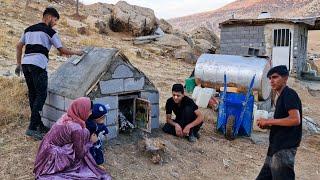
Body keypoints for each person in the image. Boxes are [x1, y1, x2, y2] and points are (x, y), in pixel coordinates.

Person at [15, 7, 83, 140]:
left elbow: (18, 46)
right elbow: (61, 50)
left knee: (33, 95)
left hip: (26, 64)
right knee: (41, 94)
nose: (55, 23)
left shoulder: (28, 29)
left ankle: (38, 124)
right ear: (50, 17)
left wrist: (18, 64)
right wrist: (77, 52)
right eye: (56, 20)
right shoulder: (50, 32)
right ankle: (32, 128)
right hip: (38, 65)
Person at [34, 97, 112, 179]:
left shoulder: (68, 116)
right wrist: (91, 142)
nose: (91, 113)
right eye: (89, 111)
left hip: (44, 152)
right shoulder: (76, 128)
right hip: (53, 159)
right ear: (82, 110)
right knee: (89, 174)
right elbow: (79, 154)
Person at [256, 65, 302, 180]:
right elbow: (284, 122)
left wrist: (269, 121)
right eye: (270, 78)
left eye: (275, 77)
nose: (271, 81)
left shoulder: (289, 94)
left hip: (284, 149)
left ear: (285, 78)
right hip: (275, 148)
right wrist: (268, 125)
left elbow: (295, 119)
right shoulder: (281, 97)